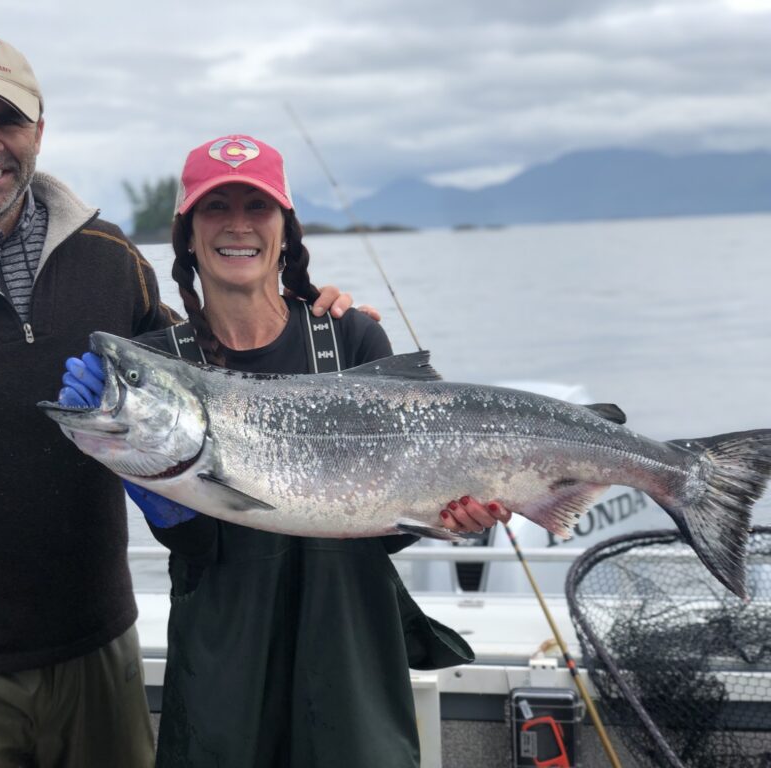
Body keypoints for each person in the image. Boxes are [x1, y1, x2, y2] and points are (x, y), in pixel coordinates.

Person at [0, 37, 356, 768]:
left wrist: (303, 316)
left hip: (100, 652)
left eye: (8, 121)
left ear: (39, 132)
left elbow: (215, 386)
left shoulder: (111, 260)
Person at [59, 134, 512, 767]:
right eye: (216, 209)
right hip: (223, 664)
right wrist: (144, 480)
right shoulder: (162, 363)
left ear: (285, 229)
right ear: (186, 233)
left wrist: (449, 516)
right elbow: (195, 548)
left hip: (352, 655)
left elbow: (384, 531)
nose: (237, 226)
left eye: (258, 207)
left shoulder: (352, 336)